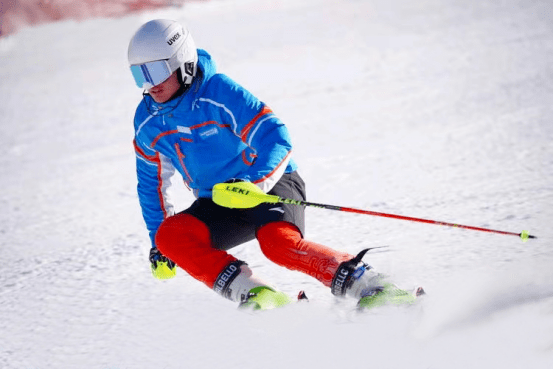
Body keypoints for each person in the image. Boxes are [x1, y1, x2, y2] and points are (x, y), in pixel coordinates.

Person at [128, 19, 416, 310]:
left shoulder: (218, 93)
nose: (149, 84)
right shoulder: (148, 122)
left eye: (154, 71)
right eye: (139, 75)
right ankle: (259, 294)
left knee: (279, 245)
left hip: (271, 183)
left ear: (183, 63)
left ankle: (371, 285)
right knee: (170, 237)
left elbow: (276, 136)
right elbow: (151, 185)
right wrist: (157, 243)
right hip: (218, 199)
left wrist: (254, 183)